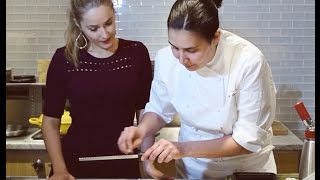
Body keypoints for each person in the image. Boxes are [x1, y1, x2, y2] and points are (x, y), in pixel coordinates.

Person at [117, 0, 277, 179]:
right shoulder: (166, 59)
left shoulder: (248, 62)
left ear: (216, 37)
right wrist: (142, 129)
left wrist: (183, 148)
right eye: (175, 47)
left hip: (246, 170)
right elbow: (159, 109)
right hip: (193, 170)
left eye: (191, 50)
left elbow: (246, 140)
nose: (181, 59)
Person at [41, 0, 152, 179]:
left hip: (122, 161)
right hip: (74, 164)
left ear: (114, 15)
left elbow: (145, 113)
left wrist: (147, 163)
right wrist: (60, 169)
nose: (104, 33)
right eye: (93, 28)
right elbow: (51, 123)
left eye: (108, 23)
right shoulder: (64, 59)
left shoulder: (136, 53)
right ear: (79, 24)